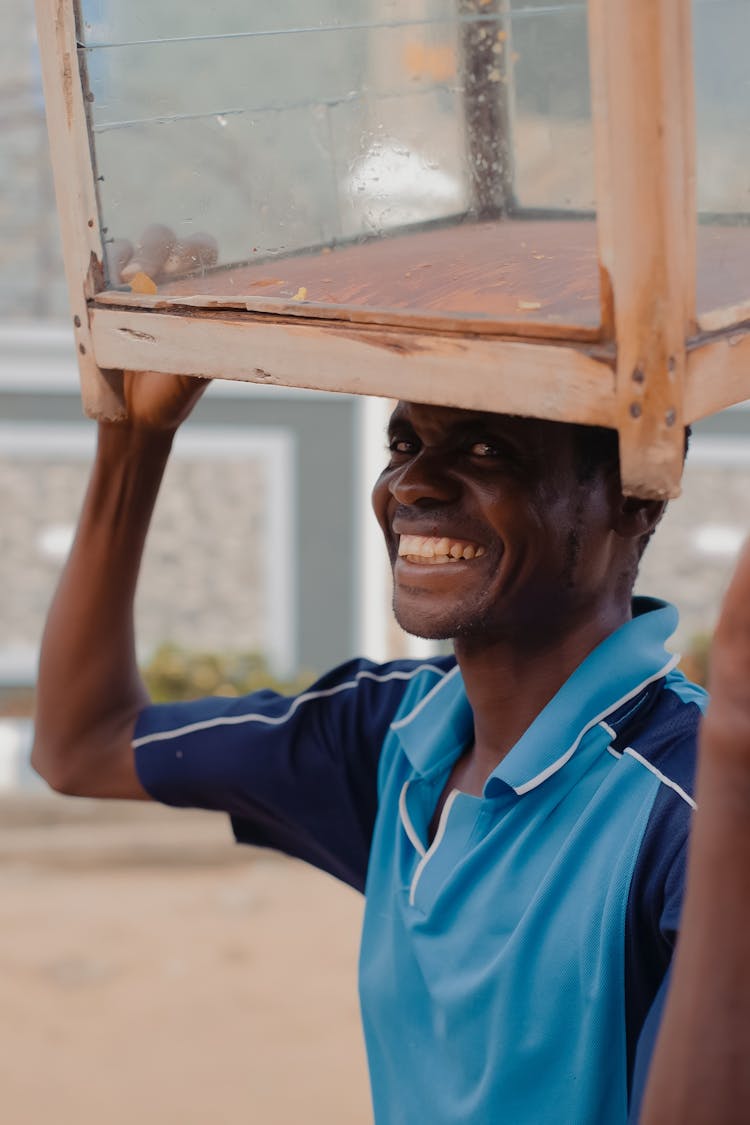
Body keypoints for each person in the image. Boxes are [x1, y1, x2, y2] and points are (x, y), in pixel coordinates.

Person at [32, 369, 750, 1123]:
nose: (410, 484)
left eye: (485, 447)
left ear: (635, 497)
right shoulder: (388, 733)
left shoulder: (694, 801)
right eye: (403, 441)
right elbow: (81, 744)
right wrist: (134, 437)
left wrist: (735, 741)